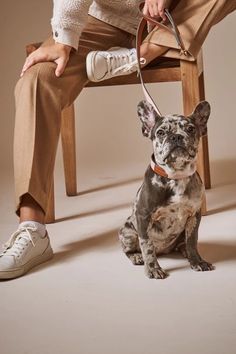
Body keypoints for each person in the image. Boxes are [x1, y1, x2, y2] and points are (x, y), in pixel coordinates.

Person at [0, 0, 235, 280]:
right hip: (103, 18)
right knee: (37, 80)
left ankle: (142, 54)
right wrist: (64, 35)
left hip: (176, 14)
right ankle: (32, 229)